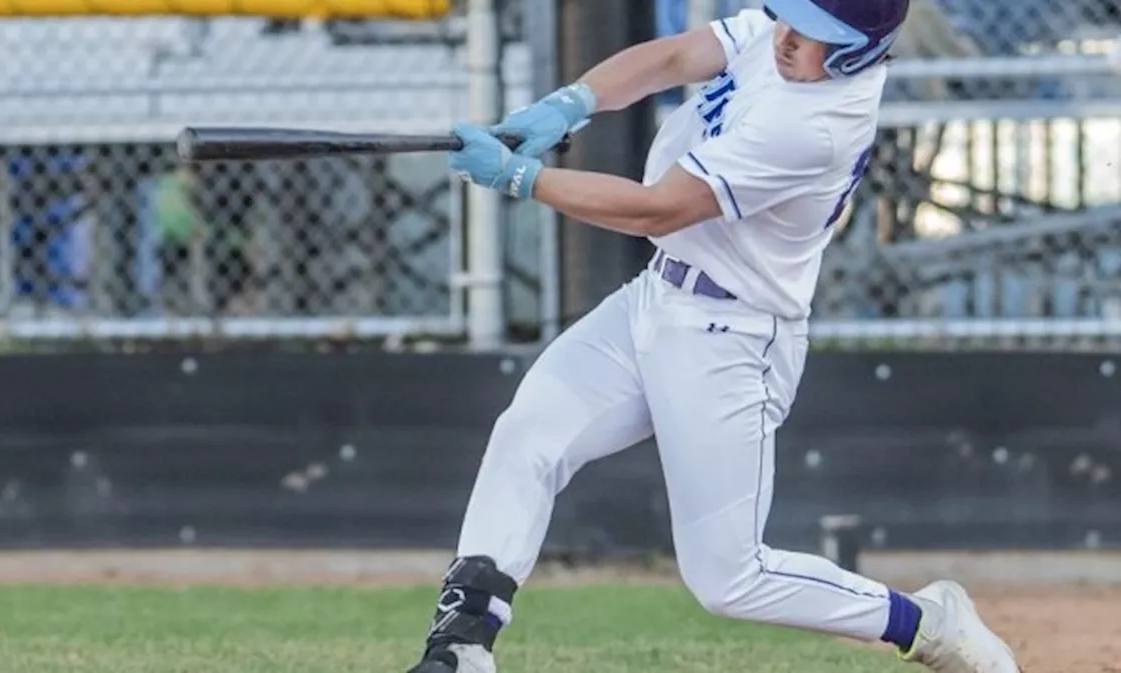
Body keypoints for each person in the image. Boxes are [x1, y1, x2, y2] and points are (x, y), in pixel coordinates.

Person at [405, 1, 1023, 673]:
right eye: (790, 17)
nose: (787, 39)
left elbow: (658, 208)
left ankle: (928, 621)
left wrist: (522, 177)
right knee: (530, 431)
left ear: (854, 54)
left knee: (731, 577)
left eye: (814, 37)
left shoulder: (814, 126)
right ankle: (463, 642)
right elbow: (674, 56)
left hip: (732, 338)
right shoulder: (785, 35)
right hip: (657, 297)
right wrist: (570, 102)